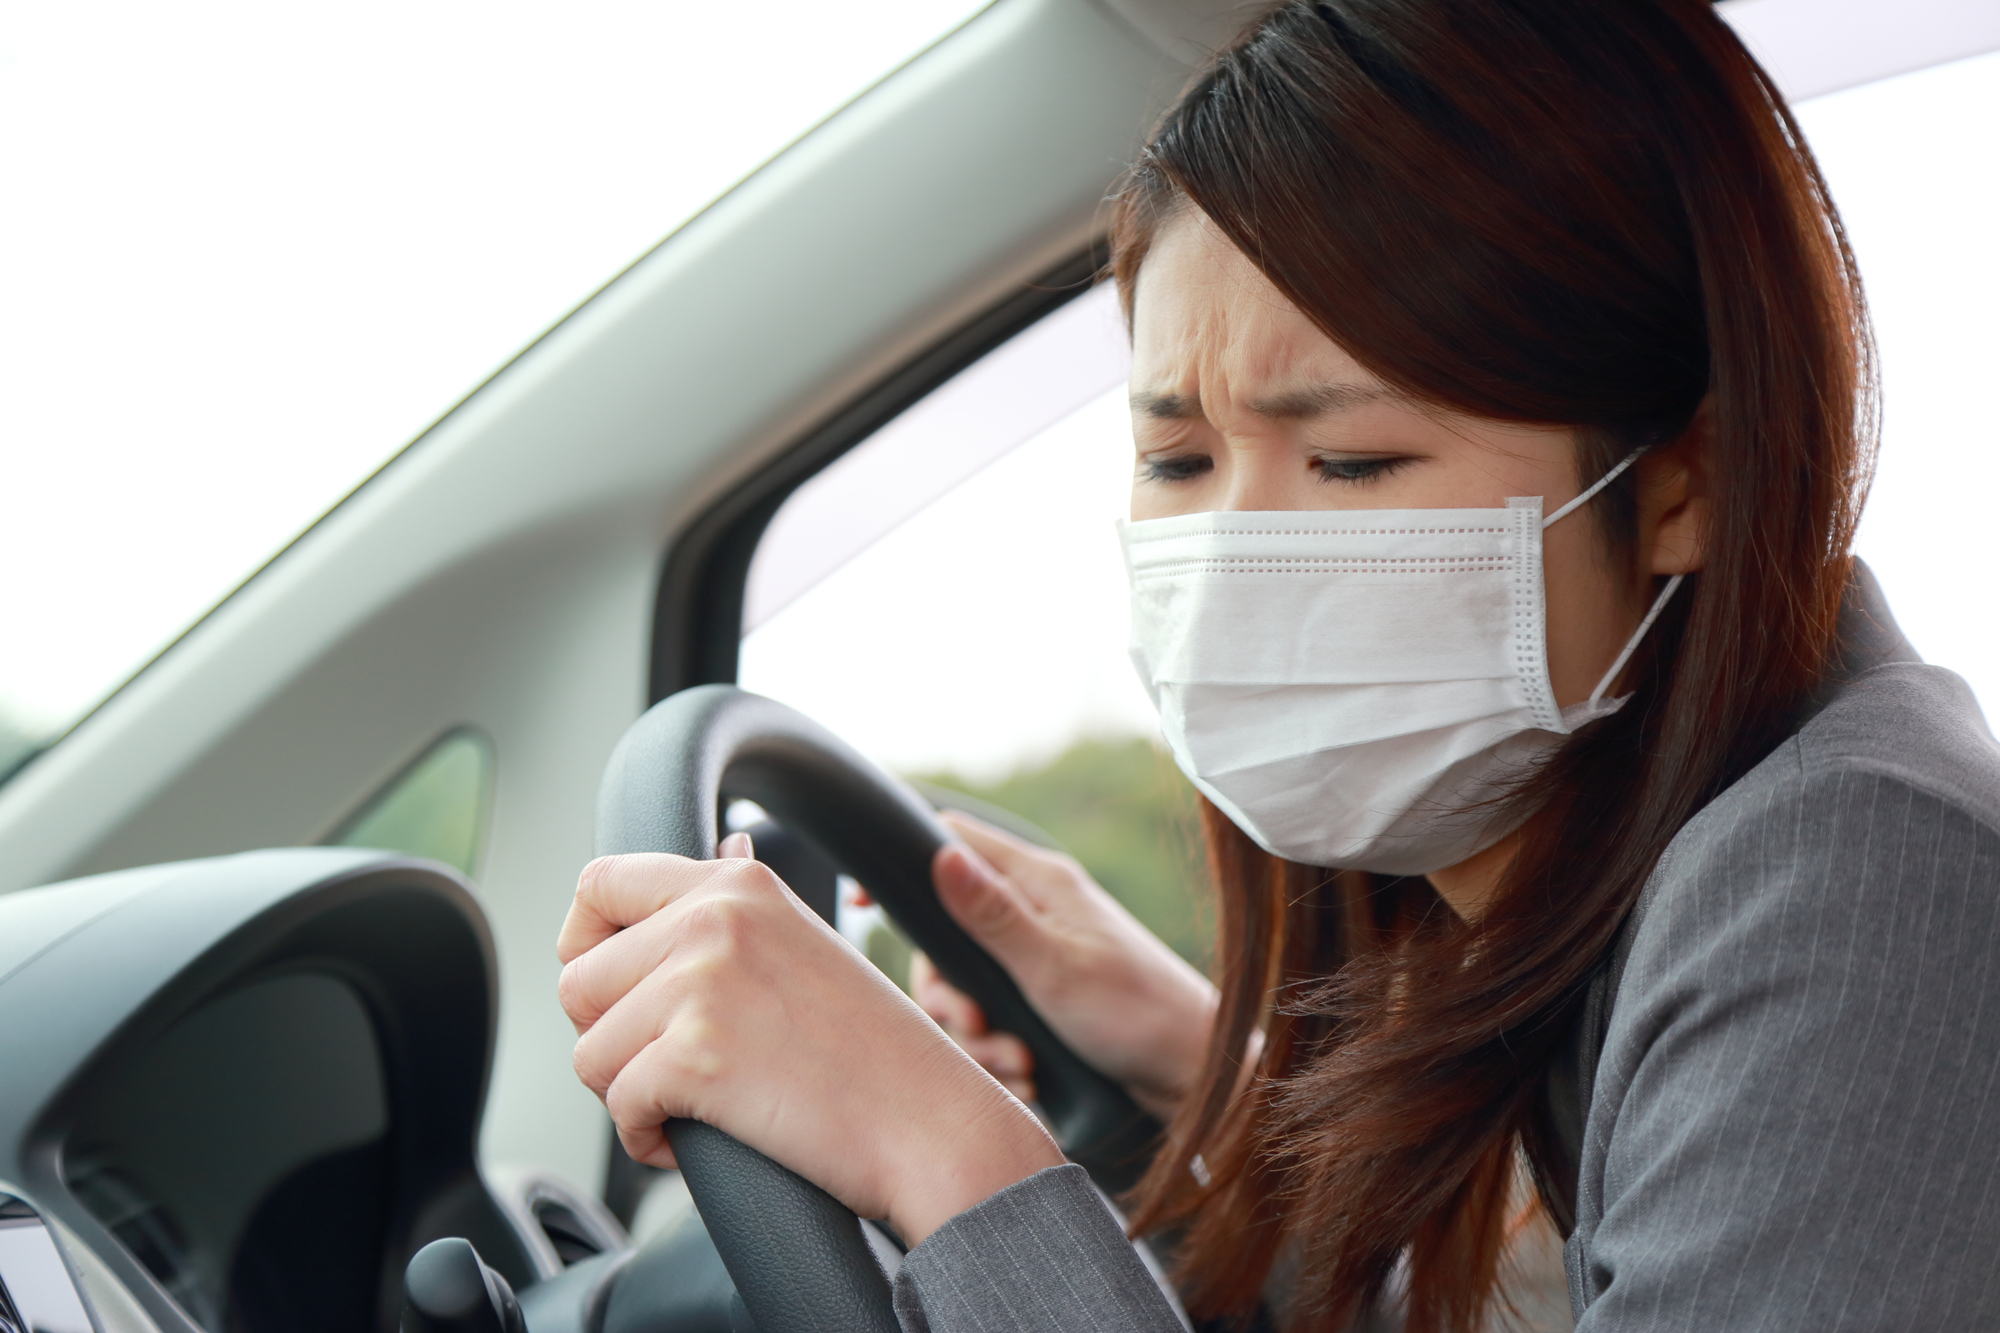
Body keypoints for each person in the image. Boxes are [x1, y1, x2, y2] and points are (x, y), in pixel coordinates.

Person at [553, 1, 2000, 1328]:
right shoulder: (1638, 881)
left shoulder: (1864, 872)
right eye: (1177, 456)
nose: (1241, 548)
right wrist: (1201, 1069)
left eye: (1351, 459)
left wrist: (946, 1151)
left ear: (1688, 481)